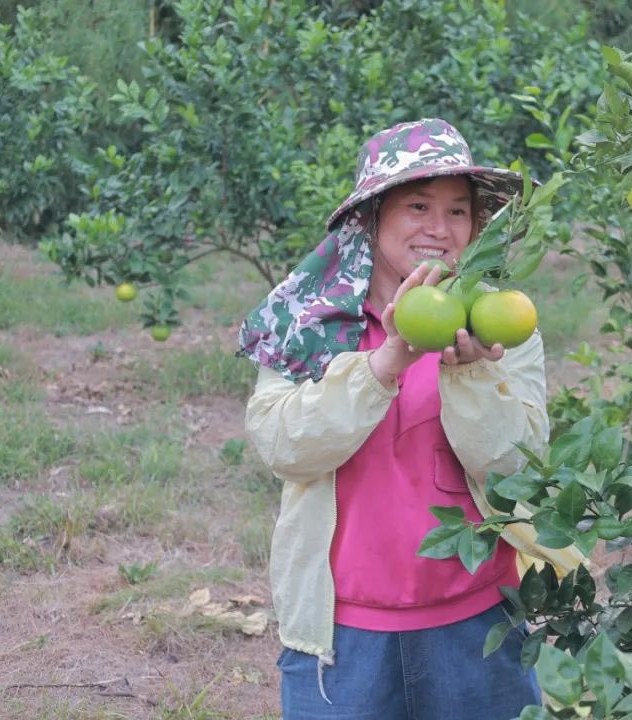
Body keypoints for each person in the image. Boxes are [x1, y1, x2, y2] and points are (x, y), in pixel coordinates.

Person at [239, 118, 585, 719]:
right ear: (373, 217)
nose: (439, 228)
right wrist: (387, 359)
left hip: (477, 621)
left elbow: (514, 470)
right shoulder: (308, 323)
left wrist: (472, 375)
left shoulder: (497, 324)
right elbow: (283, 447)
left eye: (458, 210)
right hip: (343, 633)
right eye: (418, 205)